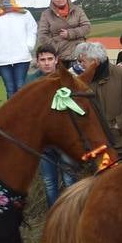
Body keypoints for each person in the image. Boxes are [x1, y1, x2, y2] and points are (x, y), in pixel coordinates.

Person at [73, 41, 122, 157]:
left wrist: (118, 123)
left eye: (82, 62)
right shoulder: (82, 80)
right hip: (97, 146)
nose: (80, 65)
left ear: (94, 61)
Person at [27, 45, 77, 205]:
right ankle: (53, 218)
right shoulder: (31, 81)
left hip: (65, 141)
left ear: (56, 60)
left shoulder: (66, 78)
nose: (47, 63)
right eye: (43, 60)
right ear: (37, 61)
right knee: (49, 183)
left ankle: (72, 216)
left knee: (70, 181)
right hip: (44, 142)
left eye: (50, 59)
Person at [36, 0, 91, 66]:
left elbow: (87, 27)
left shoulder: (77, 10)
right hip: (59, 55)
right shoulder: (46, 14)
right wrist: (55, 47)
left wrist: (70, 33)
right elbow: (42, 36)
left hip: (78, 52)